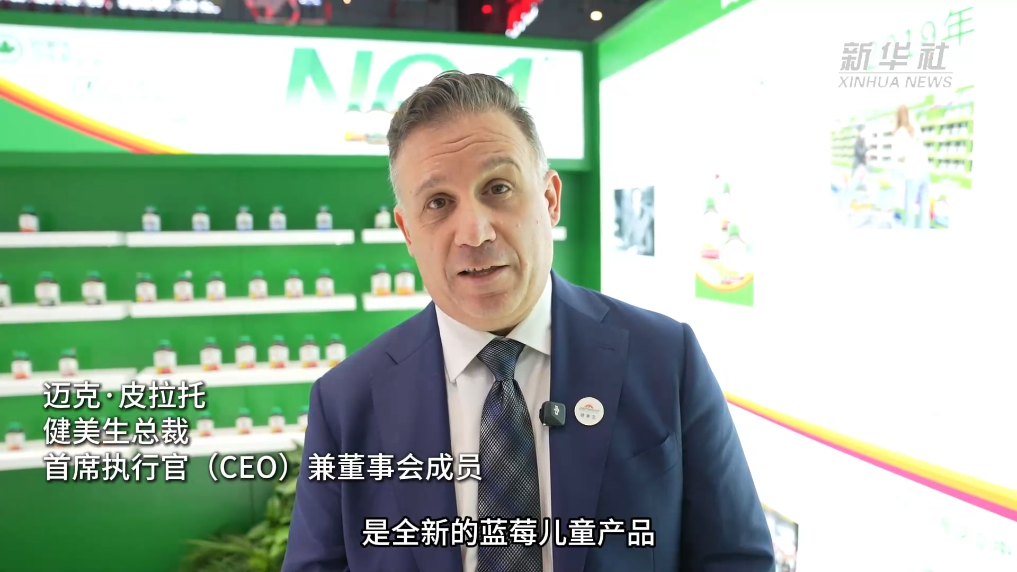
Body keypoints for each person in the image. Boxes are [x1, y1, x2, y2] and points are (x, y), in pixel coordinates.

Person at [282, 71, 775, 572]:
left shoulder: (666, 360)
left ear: (550, 199)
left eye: (498, 188)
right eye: (438, 203)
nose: (474, 232)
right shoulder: (346, 403)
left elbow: (735, 559)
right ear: (408, 231)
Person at [892, 104, 931, 229]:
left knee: (909, 206)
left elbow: (899, 154)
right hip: (925, 171)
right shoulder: (916, 128)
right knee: (924, 206)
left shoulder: (900, 132)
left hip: (912, 173)